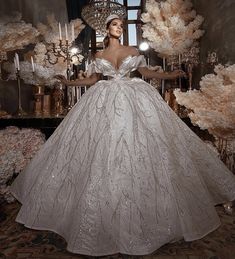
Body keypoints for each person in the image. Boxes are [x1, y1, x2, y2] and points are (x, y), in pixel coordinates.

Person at [10, 14, 235, 256]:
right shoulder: (98, 56)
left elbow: (147, 74)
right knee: (99, 148)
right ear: (107, 29)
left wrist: (170, 75)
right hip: (103, 99)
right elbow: (92, 79)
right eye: (115, 25)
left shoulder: (132, 49)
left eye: (121, 25)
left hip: (133, 97)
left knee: (142, 144)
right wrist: (68, 83)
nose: (119, 28)